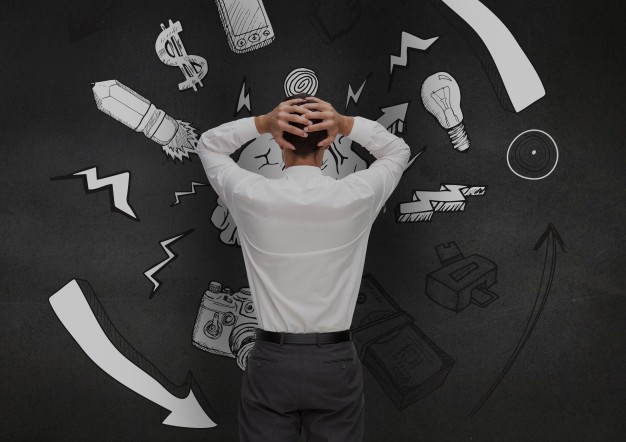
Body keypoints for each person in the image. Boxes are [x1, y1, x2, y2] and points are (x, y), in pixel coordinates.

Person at [196, 93, 411, 442]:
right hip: (334, 361)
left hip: (270, 361)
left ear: (280, 144)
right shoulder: (355, 195)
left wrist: (263, 122)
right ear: (326, 145)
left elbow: (208, 145)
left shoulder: (251, 195)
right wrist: (345, 124)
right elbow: (397, 151)